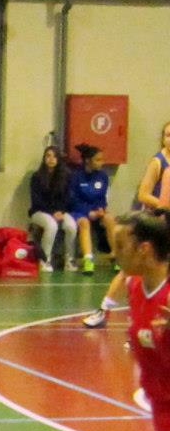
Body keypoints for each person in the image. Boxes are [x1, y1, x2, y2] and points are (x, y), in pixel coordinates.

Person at [83, 122, 170, 328]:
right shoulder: (159, 163)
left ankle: (151, 321)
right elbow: (143, 194)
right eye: (167, 135)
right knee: (130, 269)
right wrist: (162, 206)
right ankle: (104, 309)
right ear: (162, 138)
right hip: (154, 222)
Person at [111, 211, 170, 431]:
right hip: (161, 402)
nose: (114, 253)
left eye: (120, 246)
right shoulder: (135, 288)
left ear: (144, 249)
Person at [68, 143, 116, 275]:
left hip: (96, 211)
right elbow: (72, 200)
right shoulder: (75, 177)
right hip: (79, 211)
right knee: (84, 223)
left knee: (110, 219)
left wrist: (101, 209)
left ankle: (116, 256)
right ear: (88, 161)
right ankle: (88, 260)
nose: (102, 163)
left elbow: (102, 197)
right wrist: (88, 212)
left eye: (102, 159)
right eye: (98, 160)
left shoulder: (103, 177)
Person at [29, 146, 76, 273]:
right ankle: (45, 260)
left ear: (58, 159)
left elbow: (67, 198)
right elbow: (36, 201)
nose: (51, 159)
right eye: (48, 156)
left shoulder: (66, 176)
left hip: (60, 212)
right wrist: (52, 213)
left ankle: (69, 260)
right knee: (52, 225)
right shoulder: (36, 177)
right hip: (39, 212)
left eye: (54, 156)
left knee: (71, 226)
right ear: (44, 158)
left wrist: (61, 211)